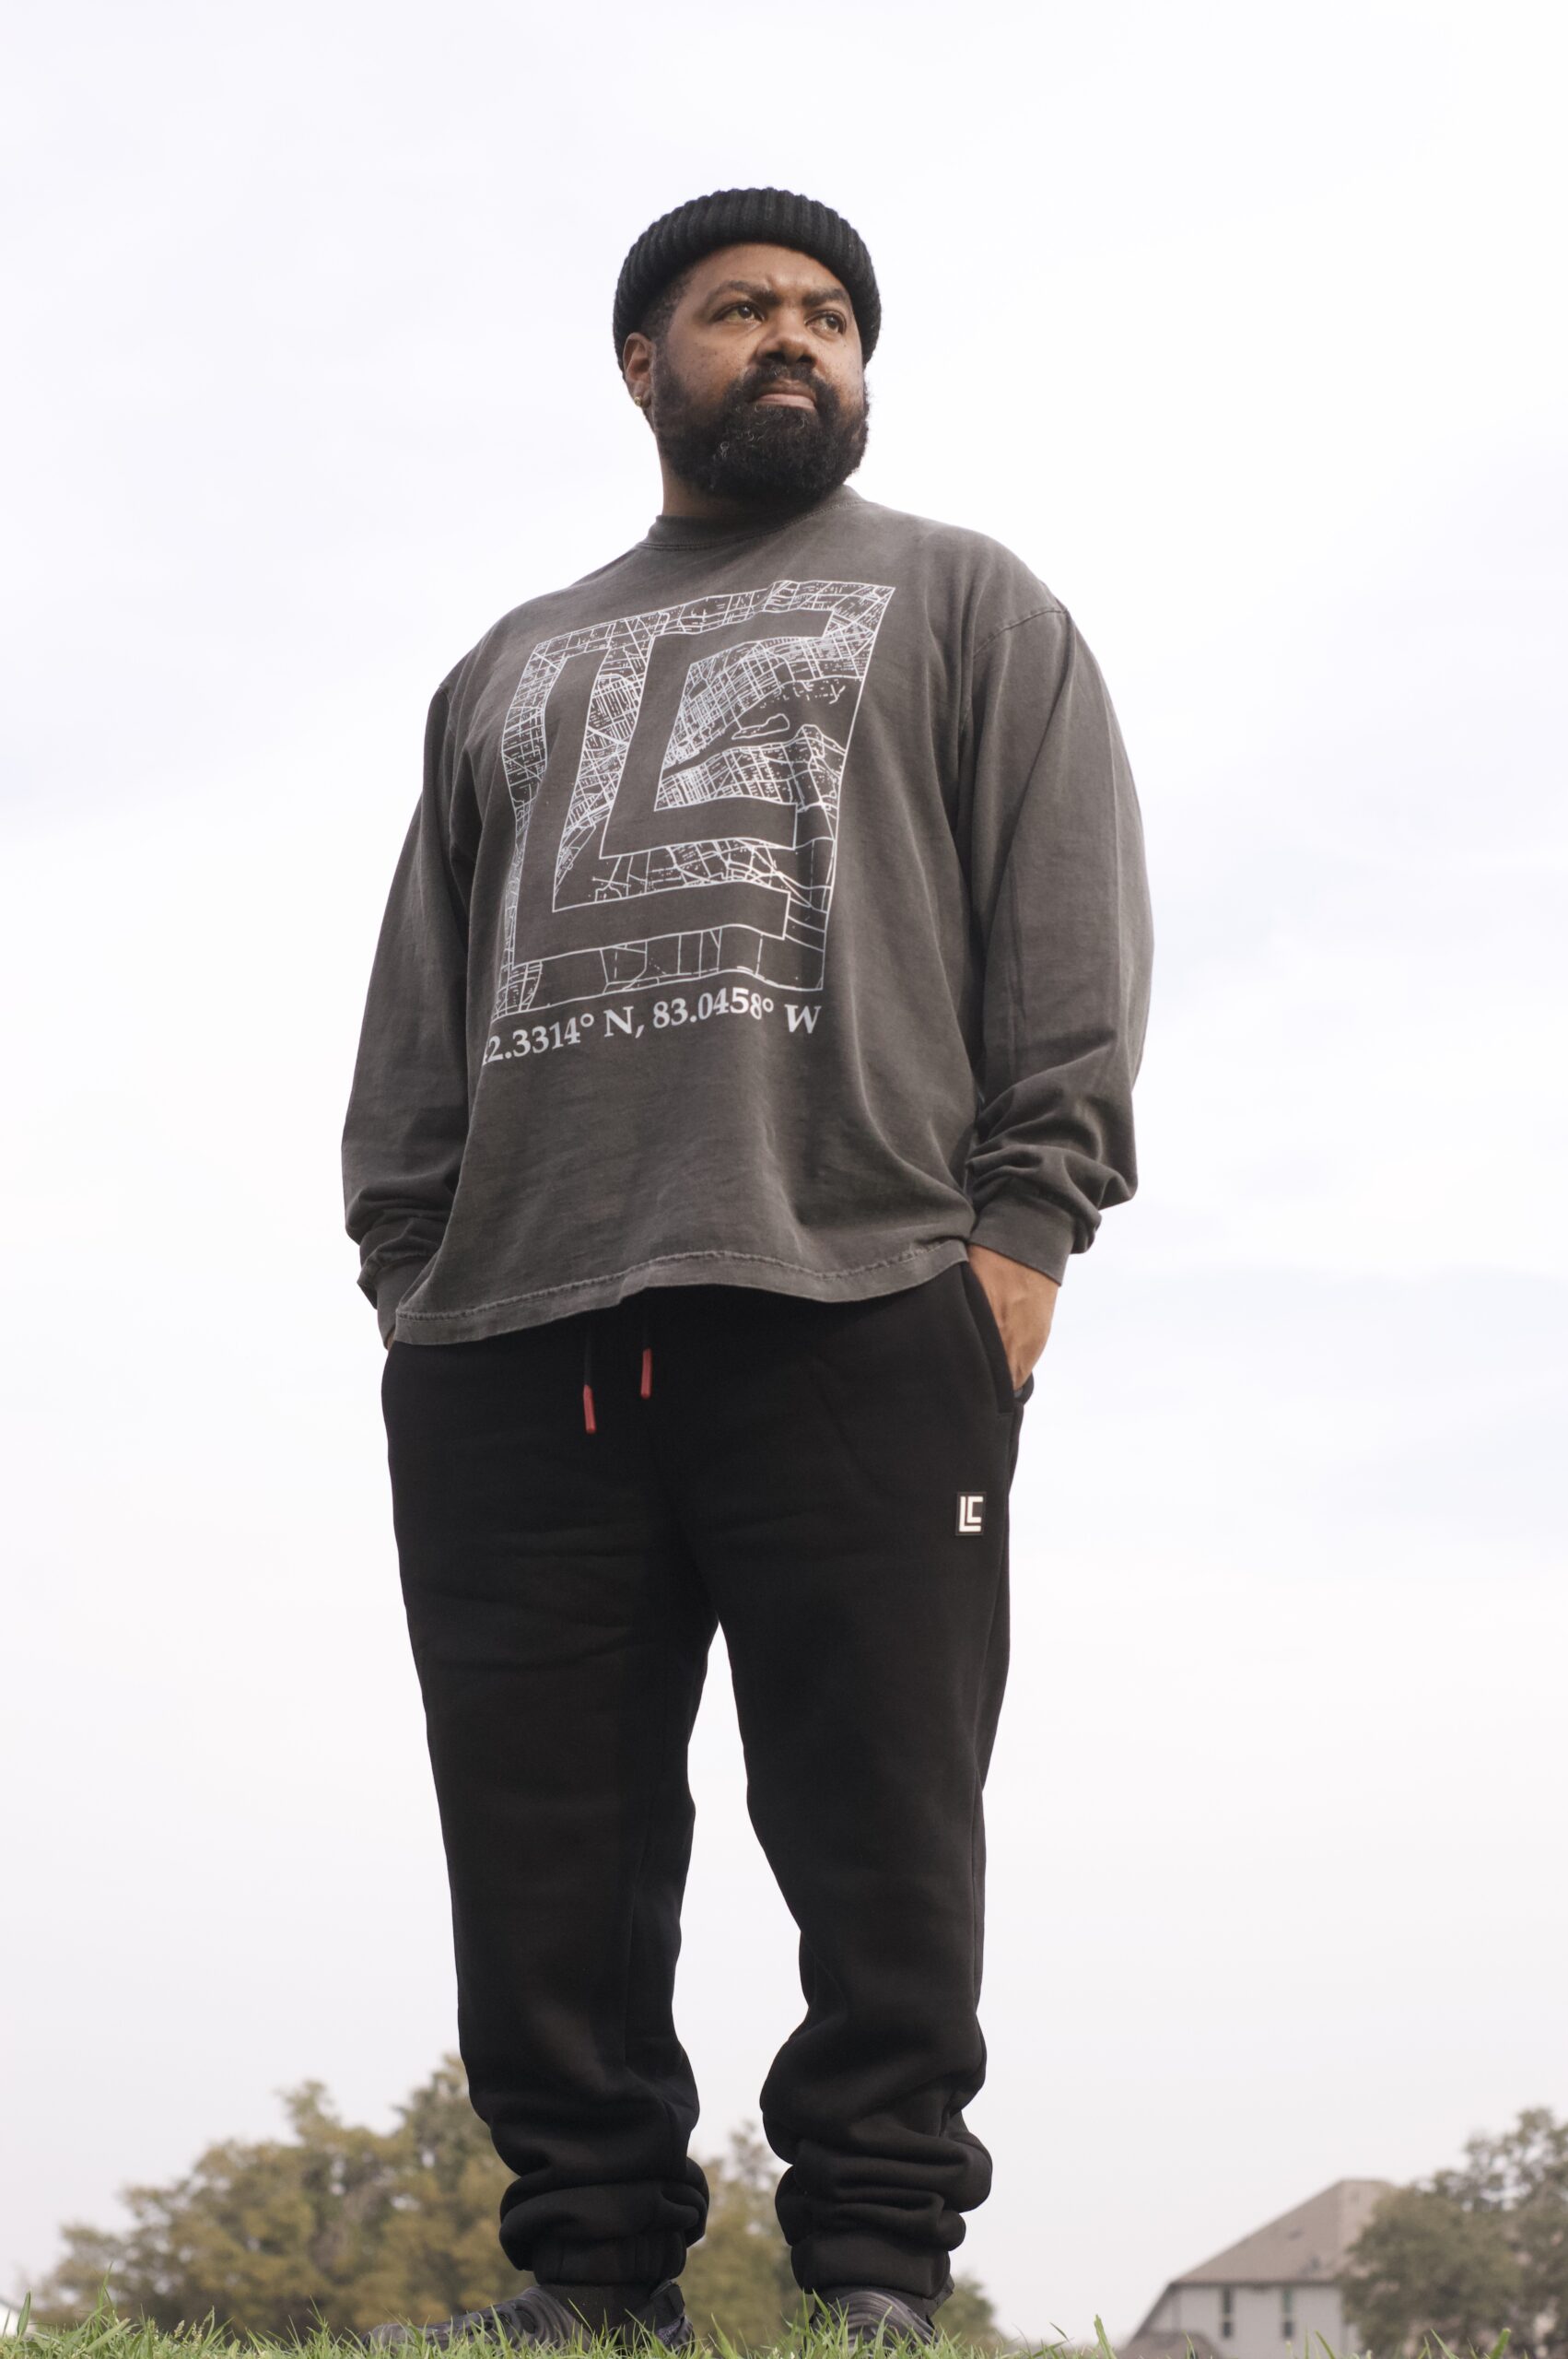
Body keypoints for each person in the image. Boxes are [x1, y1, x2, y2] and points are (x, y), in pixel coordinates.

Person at [343, 185, 1153, 2353]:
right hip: (515, 1332)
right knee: (542, 1836)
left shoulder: (966, 600)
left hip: (859, 1296)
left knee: (880, 1816)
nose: (791, 338)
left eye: (825, 315)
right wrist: (410, 1267)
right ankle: (587, 2268)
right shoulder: (506, 666)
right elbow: (418, 995)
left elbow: (1065, 935)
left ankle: (873, 2262)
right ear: (644, 364)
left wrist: (1019, 1236)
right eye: (737, 310)